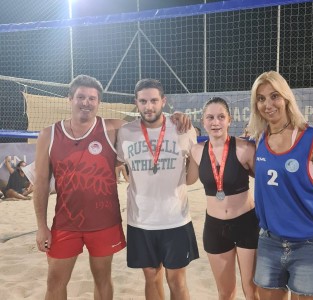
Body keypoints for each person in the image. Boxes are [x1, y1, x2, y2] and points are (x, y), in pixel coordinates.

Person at [247, 71, 313, 300]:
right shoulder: (258, 138)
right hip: (270, 240)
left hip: (310, 242)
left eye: (274, 96)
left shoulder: (311, 137)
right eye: (261, 98)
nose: (268, 104)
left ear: (286, 98)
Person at [33, 74, 127, 300]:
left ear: (99, 102)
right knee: (54, 281)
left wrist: (177, 117)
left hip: (105, 221)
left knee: (103, 278)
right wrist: (41, 226)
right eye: (81, 97)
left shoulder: (114, 128)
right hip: (66, 222)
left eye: (92, 98)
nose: (86, 102)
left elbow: (151, 124)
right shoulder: (49, 134)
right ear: (69, 99)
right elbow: (41, 183)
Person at [116, 78, 199, 300]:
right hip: (140, 221)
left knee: (177, 280)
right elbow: (114, 162)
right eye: (143, 101)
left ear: (164, 101)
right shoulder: (125, 133)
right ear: (136, 102)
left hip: (176, 219)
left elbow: (191, 180)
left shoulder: (183, 129)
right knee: (151, 276)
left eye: (154, 100)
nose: (149, 106)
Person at [187, 97, 259, 300]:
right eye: (210, 117)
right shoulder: (196, 151)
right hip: (215, 227)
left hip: (246, 223)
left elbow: (267, 180)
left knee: (251, 291)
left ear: (229, 119)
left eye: (220, 117)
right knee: (225, 293)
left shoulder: (245, 148)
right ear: (203, 121)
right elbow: (187, 180)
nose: (215, 122)